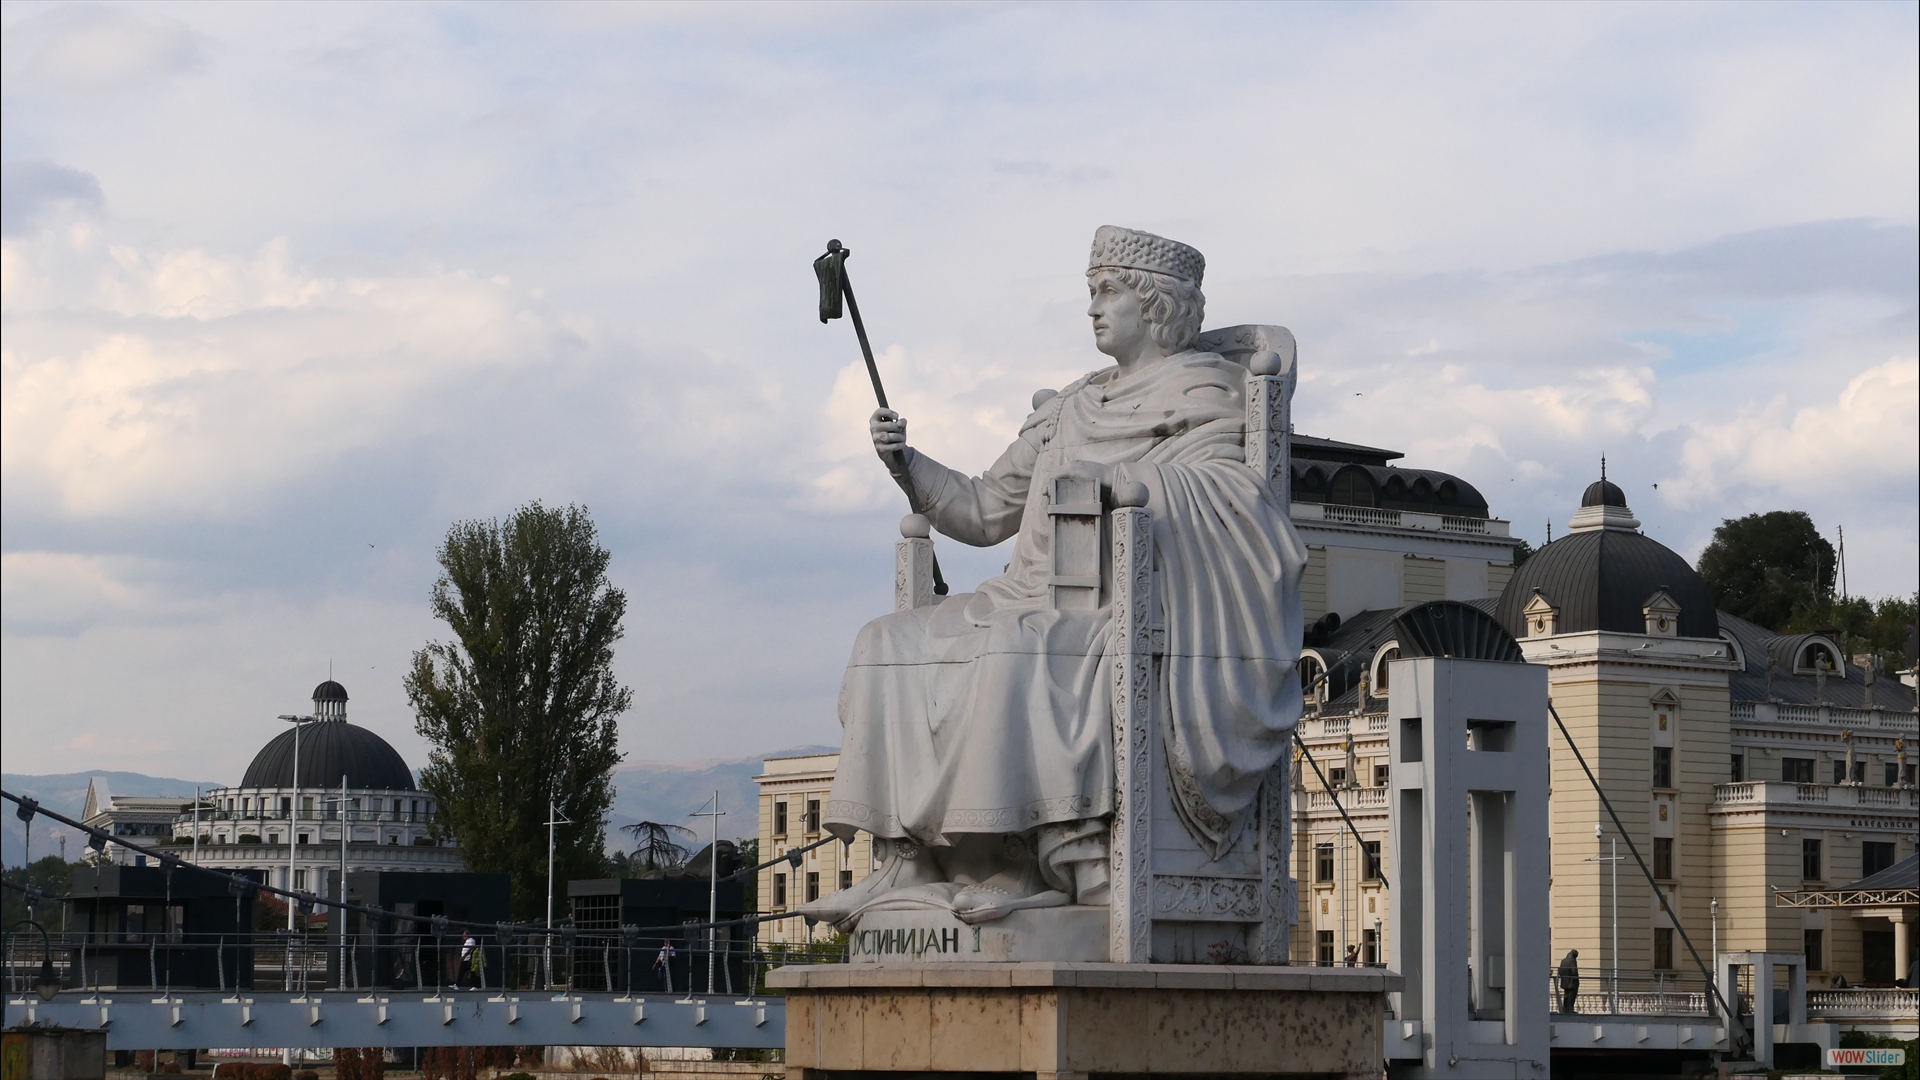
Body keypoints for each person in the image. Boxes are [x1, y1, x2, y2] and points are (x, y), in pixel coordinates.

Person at [799, 226, 1304, 930]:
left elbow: (1237, 499)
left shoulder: (1209, 392)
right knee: (884, 642)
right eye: (1091, 292)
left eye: (1108, 292)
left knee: (1012, 647)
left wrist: (1122, 482)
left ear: (1156, 305)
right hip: (1024, 596)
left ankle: (1019, 862)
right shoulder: (1071, 406)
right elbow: (982, 510)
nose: (1092, 309)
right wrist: (907, 462)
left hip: (1116, 603)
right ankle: (909, 861)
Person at [1558, 949, 1581, 1014]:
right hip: (1572, 982)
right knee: (1572, 996)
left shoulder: (1563, 961)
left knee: (1566, 995)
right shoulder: (1572, 960)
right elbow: (1574, 971)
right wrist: (1577, 981)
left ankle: (1565, 1008)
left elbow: (1560, 971)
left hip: (1564, 982)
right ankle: (1570, 1009)